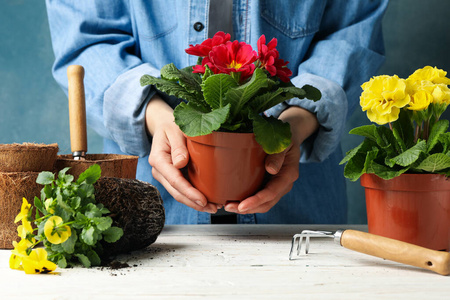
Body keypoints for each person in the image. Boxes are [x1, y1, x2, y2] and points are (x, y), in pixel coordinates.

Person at [45, 0, 389, 224]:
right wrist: (157, 116)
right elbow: (86, 40)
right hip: (150, 209)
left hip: (296, 214)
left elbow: (352, 31)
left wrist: (295, 124)